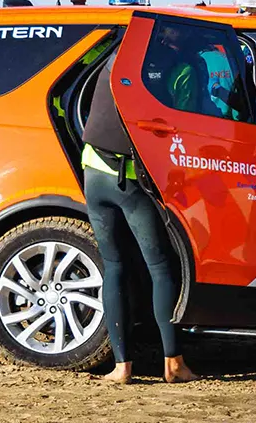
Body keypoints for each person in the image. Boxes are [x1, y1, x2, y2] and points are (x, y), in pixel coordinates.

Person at [79, 50, 197, 385]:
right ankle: (174, 363)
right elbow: (181, 125)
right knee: (160, 267)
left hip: (94, 172)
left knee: (114, 266)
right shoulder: (175, 66)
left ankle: (121, 368)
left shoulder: (112, 58)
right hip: (131, 180)